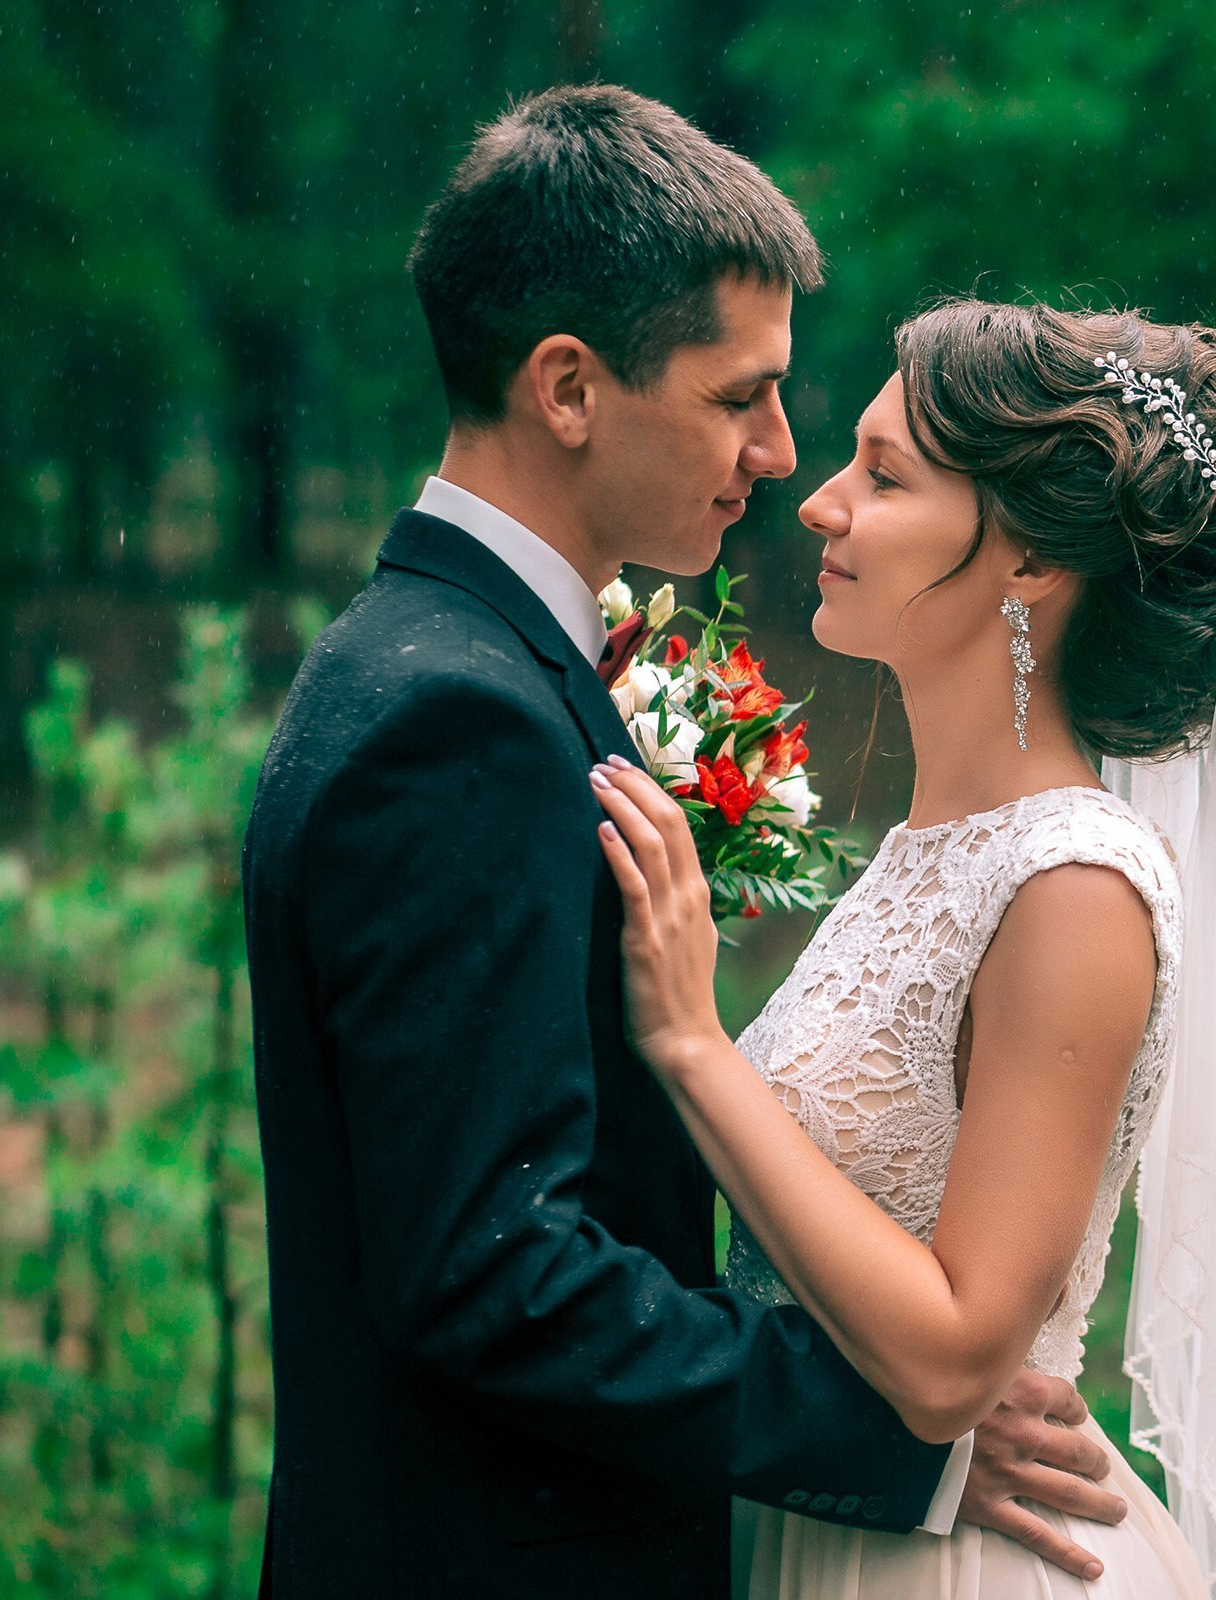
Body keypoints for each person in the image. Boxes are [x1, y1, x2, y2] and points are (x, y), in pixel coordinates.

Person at [243, 90, 1124, 1599]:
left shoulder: (436, 663)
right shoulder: (457, 723)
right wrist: (896, 1441)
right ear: (569, 388)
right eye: (738, 398)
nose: (782, 455)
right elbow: (493, 1275)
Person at [592, 300, 1216, 1597]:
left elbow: (955, 1359)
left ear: (1029, 558)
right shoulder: (937, 848)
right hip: (825, 1526)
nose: (819, 502)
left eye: (884, 474)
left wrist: (695, 1046)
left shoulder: (1075, 886)